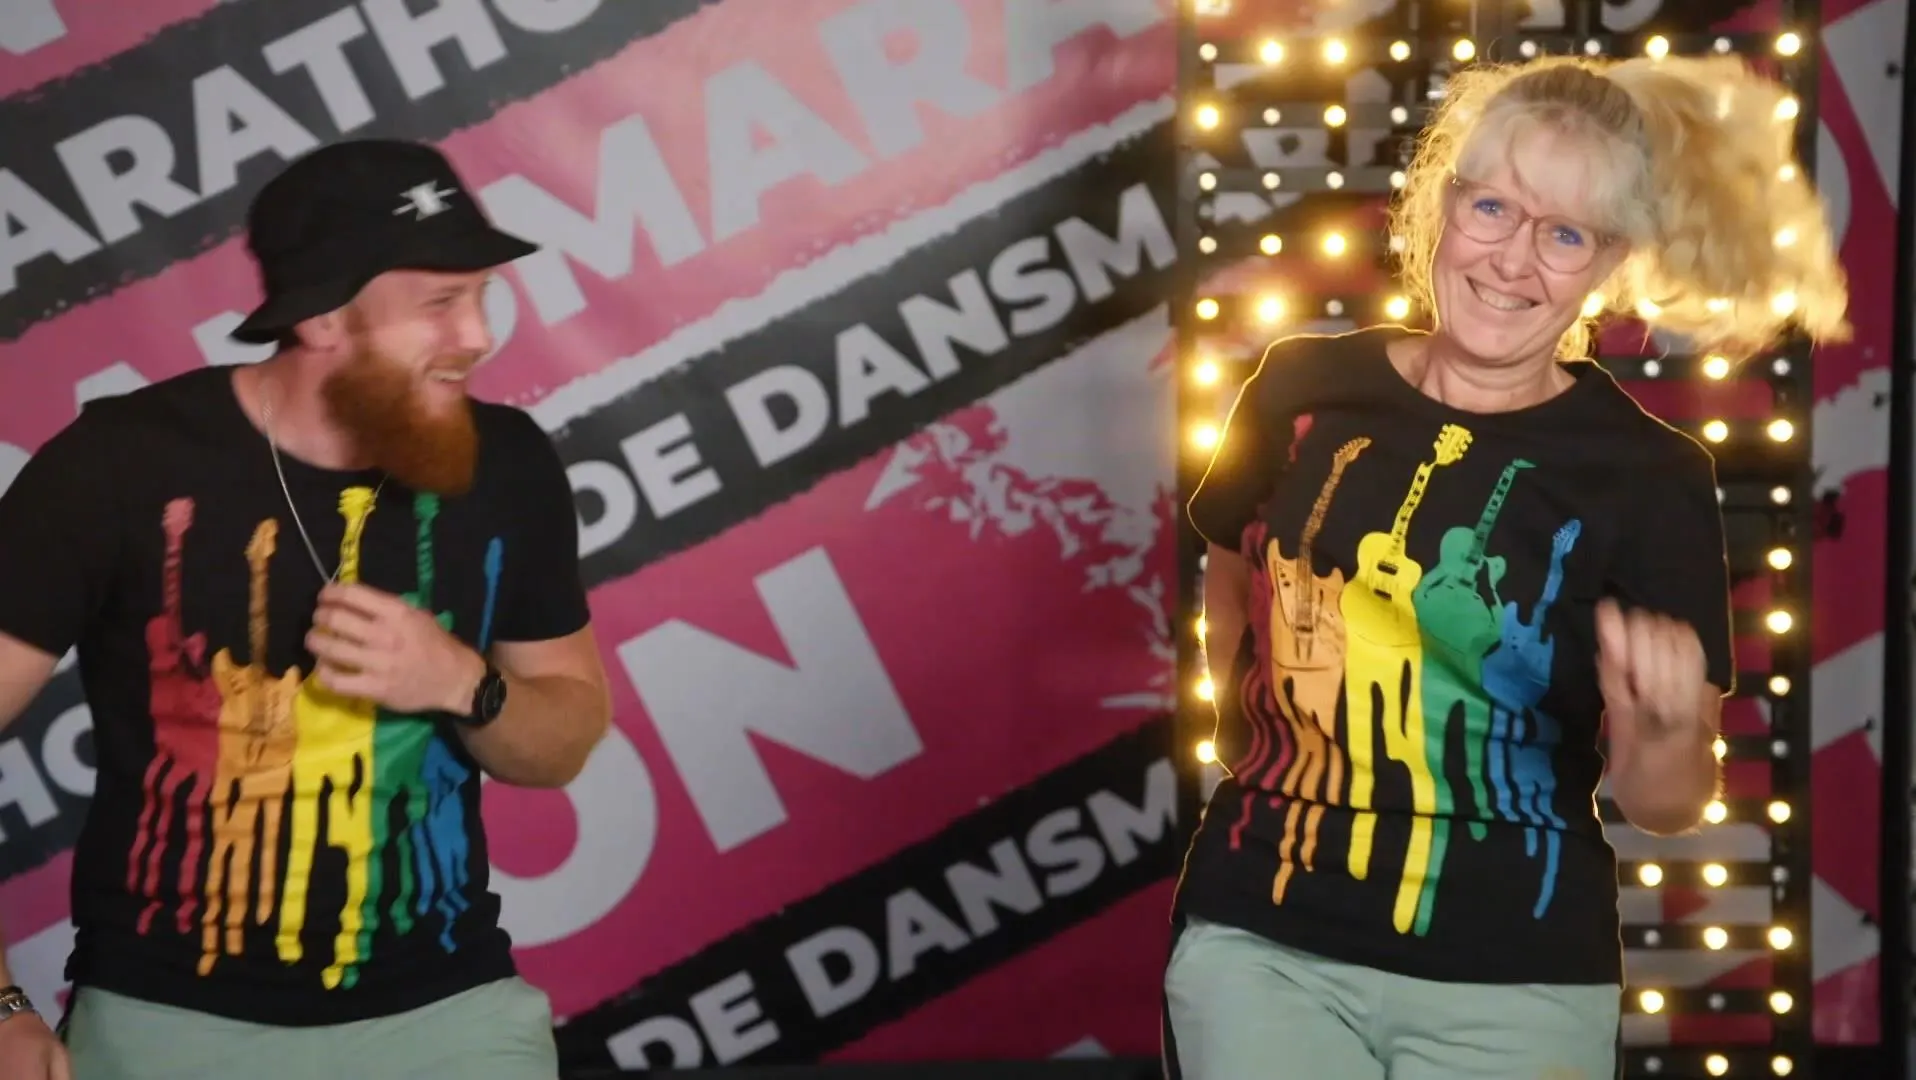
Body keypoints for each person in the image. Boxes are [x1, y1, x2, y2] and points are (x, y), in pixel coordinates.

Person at [1164, 53, 1846, 1079]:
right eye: (1492, 209)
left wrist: (1666, 727)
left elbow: (1664, 803)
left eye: (1564, 234)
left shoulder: (1651, 475)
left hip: (1518, 975)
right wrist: (1249, 732)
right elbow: (1229, 573)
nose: (1513, 261)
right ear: (1441, 207)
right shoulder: (1299, 386)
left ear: (1608, 263)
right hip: (1262, 937)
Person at [0, 138, 612, 1080]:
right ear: (323, 315)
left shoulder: (509, 462)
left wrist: (463, 682)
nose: (479, 335)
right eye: (440, 303)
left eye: (482, 296)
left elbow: (563, 743)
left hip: (452, 1007)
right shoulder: (120, 463)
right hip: (170, 1015)